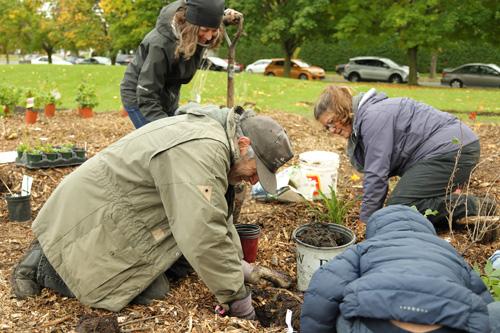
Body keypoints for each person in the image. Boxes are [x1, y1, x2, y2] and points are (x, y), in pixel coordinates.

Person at [11, 103, 294, 319]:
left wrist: (243, 268)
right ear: (244, 146)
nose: (254, 181)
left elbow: (213, 217)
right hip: (92, 212)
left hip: (124, 207)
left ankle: (57, 255)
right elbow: (202, 230)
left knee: (175, 272)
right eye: (257, 172)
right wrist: (238, 301)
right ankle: (42, 264)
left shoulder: (218, 139)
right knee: (150, 291)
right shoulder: (202, 151)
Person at [313, 85, 496, 225]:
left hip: (453, 150)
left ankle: (477, 206)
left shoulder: (372, 117)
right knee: (400, 205)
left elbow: (377, 174)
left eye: (331, 122)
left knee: (400, 208)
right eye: (326, 128)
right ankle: (453, 202)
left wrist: (366, 222)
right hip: (449, 149)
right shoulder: (369, 117)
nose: (332, 130)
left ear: (343, 110)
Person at [301, 205, 500, 333]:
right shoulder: (451, 253)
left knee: (342, 308)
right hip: (446, 324)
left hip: (375, 326)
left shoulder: (365, 248)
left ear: (375, 232)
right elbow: (482, 302)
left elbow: (323, 290)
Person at [120, 0, 242, 129]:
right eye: (205, 30)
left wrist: (224, 19)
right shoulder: (161, 44)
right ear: (191, 26)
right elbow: (147, 93)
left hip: (167, 93)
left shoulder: (192, 29)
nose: (208, 37)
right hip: (141, 97)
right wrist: (166, 129)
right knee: (161, 141)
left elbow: (205, 17)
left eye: (214, 30)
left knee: (174, 139)